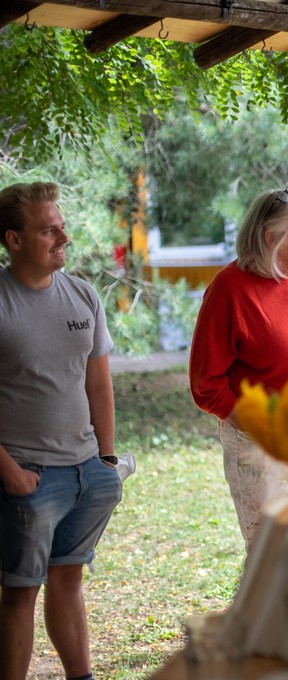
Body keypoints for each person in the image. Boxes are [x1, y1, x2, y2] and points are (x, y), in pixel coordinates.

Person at [0, 181, 123, 680]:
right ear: (13, 239)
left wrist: (107, 463)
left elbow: (99, 384)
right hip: (27, 476)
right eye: (48, 230)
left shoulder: (83, 295)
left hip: (87, 474)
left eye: (62, 226)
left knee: (68, 580)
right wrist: (9, 472)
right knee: (20, 593)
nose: (63, 237)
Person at [189, 187, 288, 552]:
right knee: (274, 556)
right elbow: (206, 384)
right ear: (271, 237)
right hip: (261, 446)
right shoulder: (229, 290)